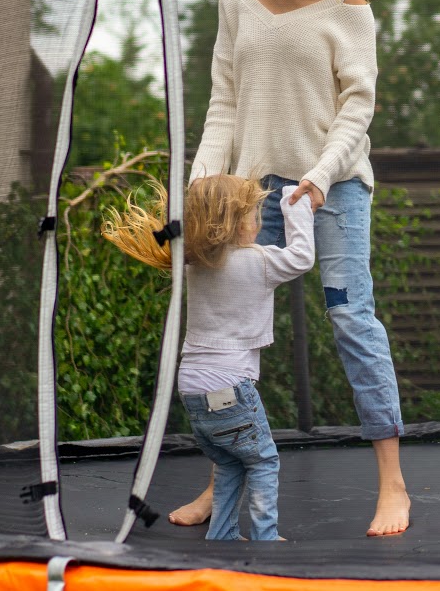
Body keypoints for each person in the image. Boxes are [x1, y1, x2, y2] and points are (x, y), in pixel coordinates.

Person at [172, 0, 412, 537]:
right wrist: (201, 185)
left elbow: (357, 104)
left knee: (352, 320)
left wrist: (321, 174)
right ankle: (221, 476)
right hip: (251, 191)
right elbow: (224, 100)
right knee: (227, 329)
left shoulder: (347, 0)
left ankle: (393, 483)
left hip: (331, 188)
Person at [103, 174, 315, 541]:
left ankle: (222, 533)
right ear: (236, 221)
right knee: (263, 460)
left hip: (192, 390)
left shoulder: (193, 263)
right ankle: (267, 537)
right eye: (254, 215)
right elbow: (302, 257)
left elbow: (180, 236)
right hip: (229, 386)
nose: (258, 223)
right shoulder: (259, 262)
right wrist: (294, 206)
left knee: (230, 462)